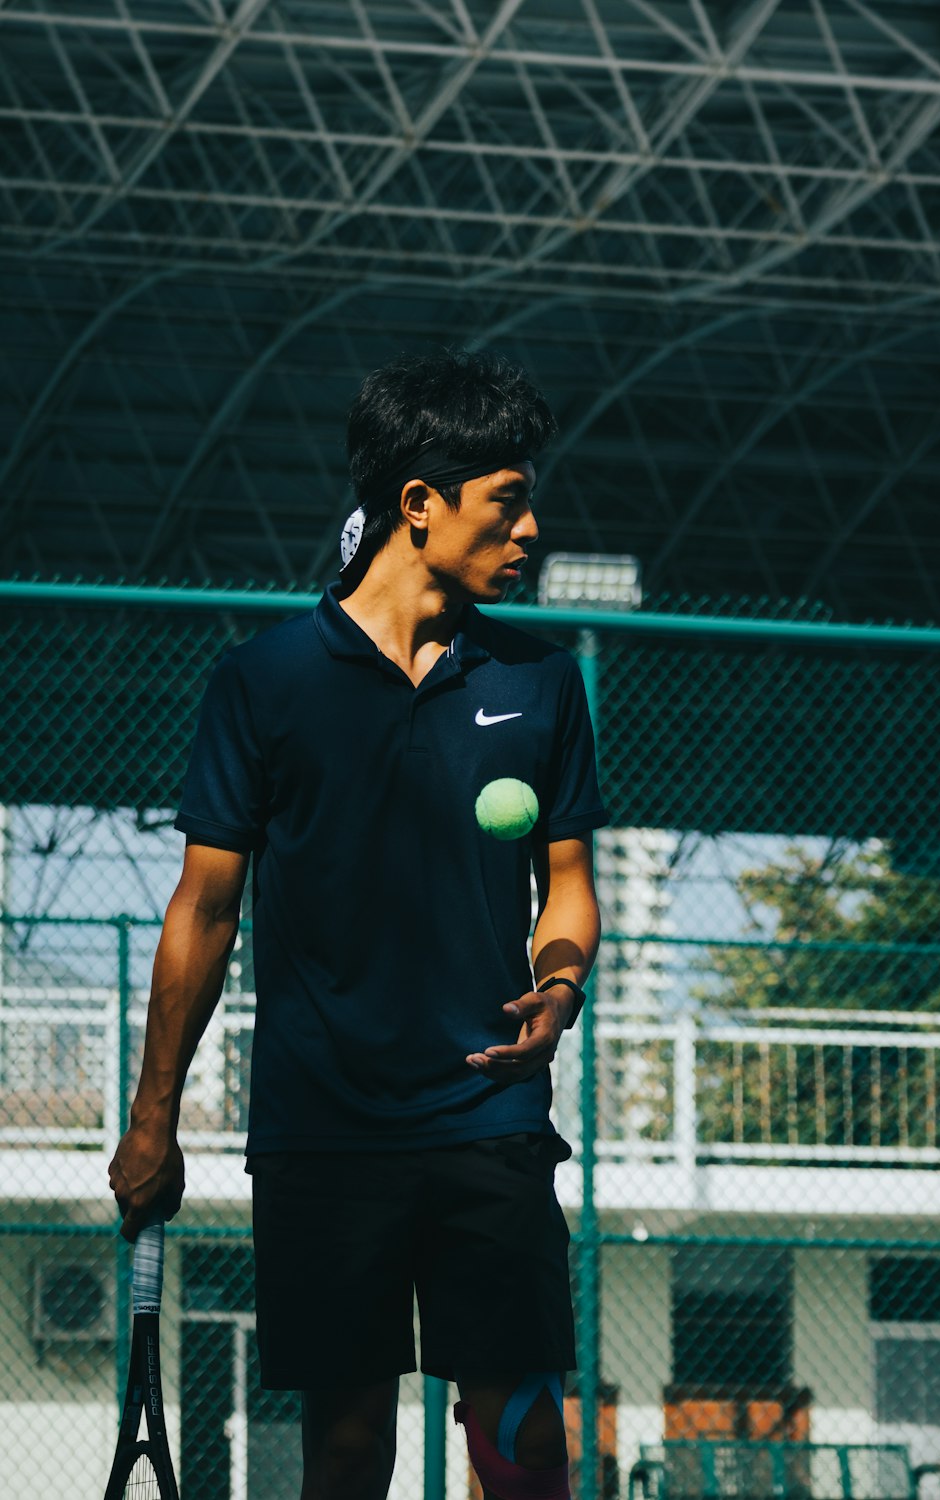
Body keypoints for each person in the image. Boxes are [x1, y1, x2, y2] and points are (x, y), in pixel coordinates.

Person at [108, 348, 607, 1500]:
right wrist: (152, 1122)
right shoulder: (263, 681)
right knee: (344, 1449)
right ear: (418, 505)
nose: (531, 530)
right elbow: (204, 909)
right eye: (508, 501)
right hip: (321, 1130)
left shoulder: (541, 681)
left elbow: (569, 880)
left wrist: (563, 981)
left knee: (524, 1440)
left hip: (490, 1115)